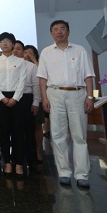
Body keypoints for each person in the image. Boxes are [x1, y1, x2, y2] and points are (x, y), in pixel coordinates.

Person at [37, 20, 95, 188]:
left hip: (77, 94)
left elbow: (88, 75)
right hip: (55, 94)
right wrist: (44, 98)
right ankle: (63, 172)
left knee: (79, 135)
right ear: (51, 33)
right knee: (58, 134)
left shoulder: (80, 50)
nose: (59, 32)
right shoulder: (46, 52)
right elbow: (42, 78)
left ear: (68, 32)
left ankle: (82, 174)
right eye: (55, 29)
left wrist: (90, 97)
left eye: (63, 29)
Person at [0, 33, 27, 177]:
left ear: (13, 44)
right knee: (4, 131)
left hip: (17, 99)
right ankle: (6, 162)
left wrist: (15, 98)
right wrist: (2, 98)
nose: (4, 44)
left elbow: (22, 81)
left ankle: (18, 163)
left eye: (7, 41)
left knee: (18, 131)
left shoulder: (20, 61)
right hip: (1, 99)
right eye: (2, 41)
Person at [23, 44, 44, 171]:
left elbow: (42, 75)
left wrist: (34, 60)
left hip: (38, 99)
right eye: (25, 52)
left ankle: (39, 151)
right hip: (25, 99)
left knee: (37, 126)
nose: (27, 55)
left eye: (30, 53)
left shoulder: (37, 65)